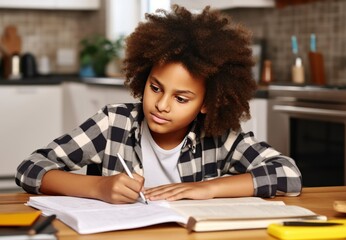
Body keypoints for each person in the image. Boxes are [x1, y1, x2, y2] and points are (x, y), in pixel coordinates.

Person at [16, 5, 302, 204]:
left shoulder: (221, 138)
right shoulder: (113, 123)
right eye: (155, 88)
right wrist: (99, 187)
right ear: (144, 77)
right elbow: (29, 168)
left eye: (181, 98)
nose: (161, 105)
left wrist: (207, 189)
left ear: (206, 103)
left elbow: (288, 174)